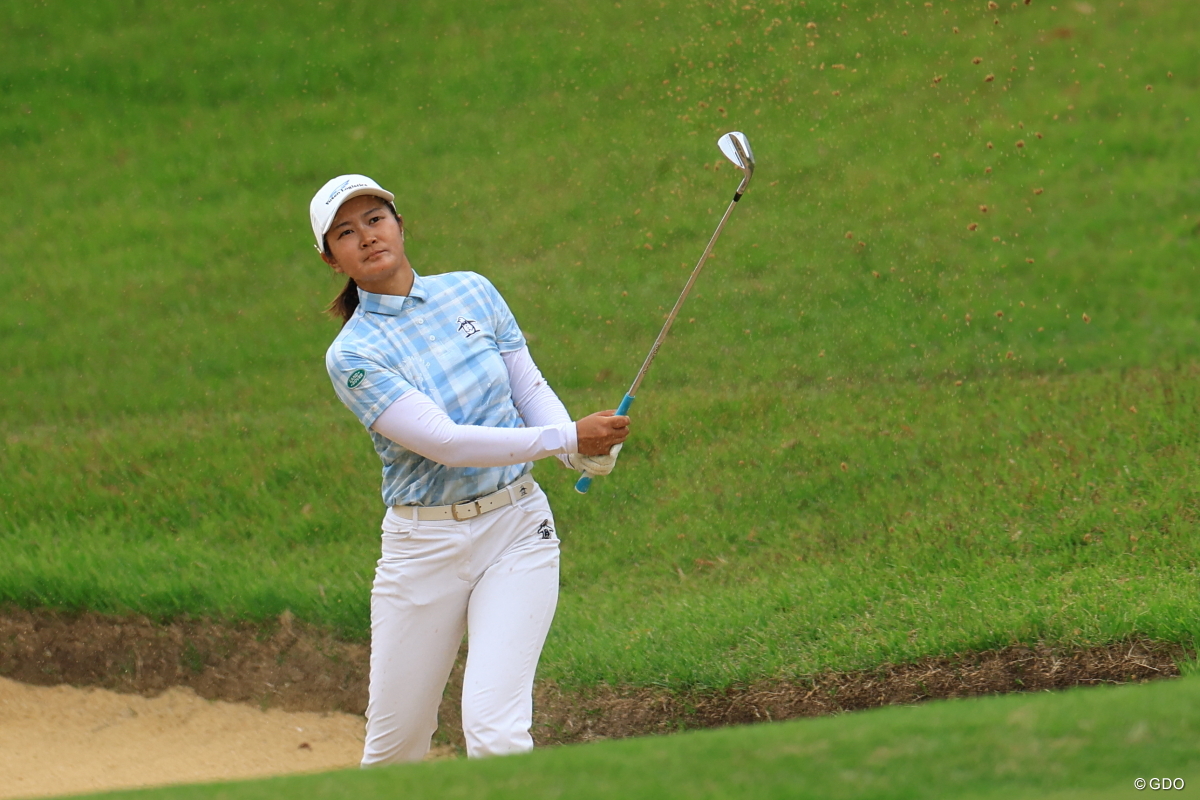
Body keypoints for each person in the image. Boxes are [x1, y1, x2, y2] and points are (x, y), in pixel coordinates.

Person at [309, 174, 630, 765]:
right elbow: (445, 443)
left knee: (496, 731)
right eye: (346, 233)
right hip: (422, 547)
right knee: (396, 748)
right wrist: (564, 435)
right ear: (333, 259)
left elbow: (527, 387)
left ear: (400, 224)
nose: (368, 237)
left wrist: (580, 451)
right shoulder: (352, 355)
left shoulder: (473, 292)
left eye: (376, 220)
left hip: (516, 530)